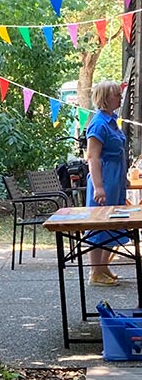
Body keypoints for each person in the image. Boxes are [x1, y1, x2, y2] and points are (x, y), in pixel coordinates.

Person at [85, 80, 127, 287]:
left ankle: (103, 267)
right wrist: (99, 186)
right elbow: (93, 157)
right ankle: (95, 271)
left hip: (115, 178)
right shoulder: (99, 124)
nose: (120, 97)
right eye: (116, 95)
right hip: (104, 178)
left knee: (112, 223)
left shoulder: (111, 120)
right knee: (99, 224)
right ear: (105, 98)